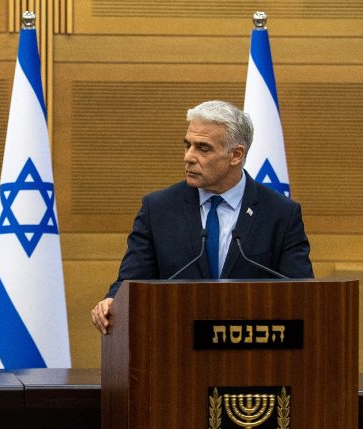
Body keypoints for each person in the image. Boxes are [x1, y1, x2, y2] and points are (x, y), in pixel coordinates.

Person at [91, 100, 313, 334]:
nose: (189, 156)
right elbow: (130, 282)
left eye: (203, 148)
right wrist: (111, 301)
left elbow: (302, 294)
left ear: (236, 155)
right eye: (187, 145)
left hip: (252, 350)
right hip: (176, 343)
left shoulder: (280, 213)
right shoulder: (158, 209)